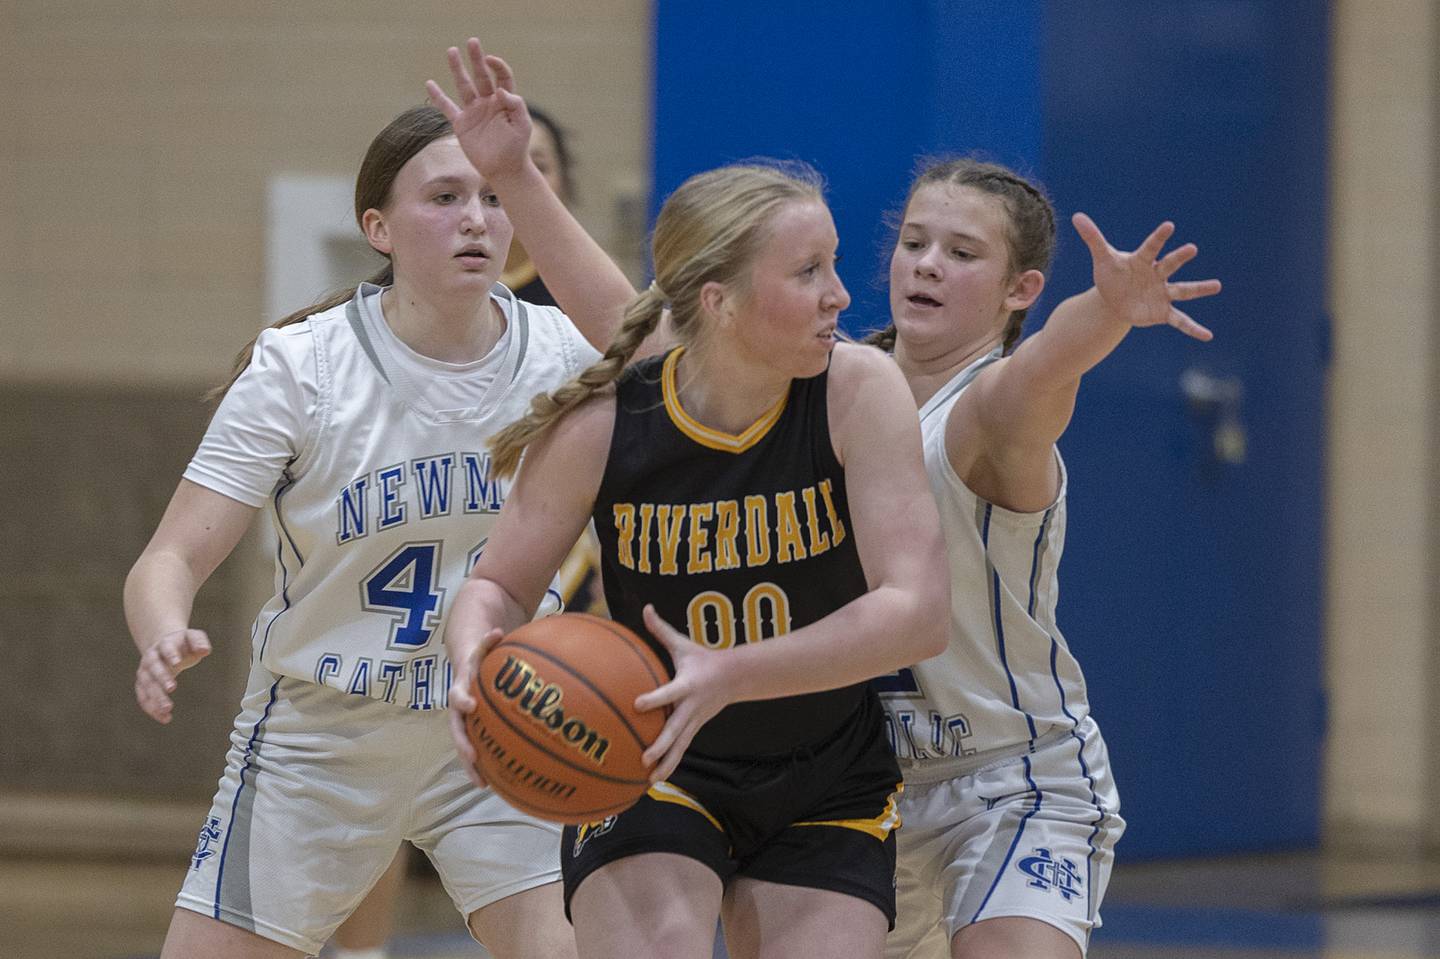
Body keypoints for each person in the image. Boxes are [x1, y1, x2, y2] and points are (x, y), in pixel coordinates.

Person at [428, 40, 949, 959]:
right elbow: (498, 586)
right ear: (718, 301)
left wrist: (733, 672)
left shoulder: (857, 391)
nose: (841, 295)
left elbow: (917, 613)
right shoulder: (604, 425)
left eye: (834, 264)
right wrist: (473, 658)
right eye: (808, 273)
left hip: (827, 769)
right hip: (649, 761)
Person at [123, 100, 632, 958]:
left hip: (500, 731)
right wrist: (162, 631)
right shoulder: (302, 366)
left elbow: (650, 342)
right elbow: (170, 555)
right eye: (443, 197)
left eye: (494, 196)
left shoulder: (563, 355)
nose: (475, 218)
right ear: (378, 226)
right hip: (322, 741)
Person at [870, 158, 1220, 959]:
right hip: (862, 791)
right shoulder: (835, 392)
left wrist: (1108, 310)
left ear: (1019, 290)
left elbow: (1044, 370)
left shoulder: (985, 409)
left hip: (1012, 779)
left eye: (961, 253)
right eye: (914, 242)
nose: (926, 263)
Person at [330, 101, 601, 959]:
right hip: (401, 612)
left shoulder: (588, 321)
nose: (496, 198)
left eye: (527, 171)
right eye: (459, 188)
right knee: (372, 806)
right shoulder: (409, 314)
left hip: (554, 615)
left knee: (556, 845)